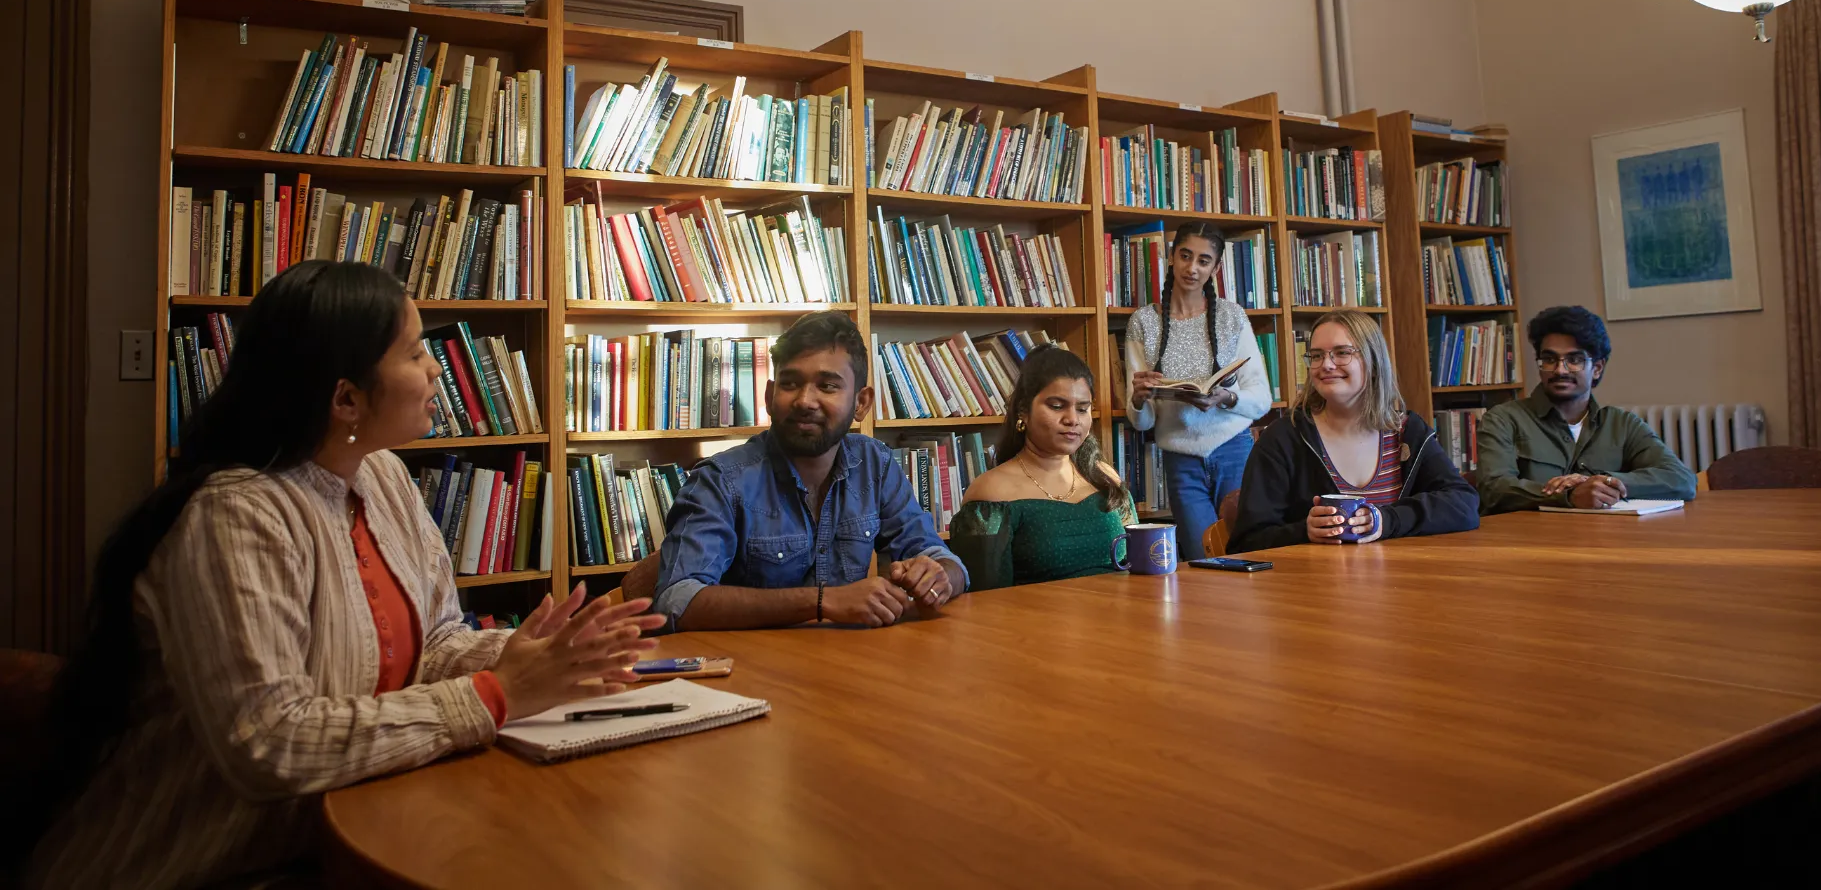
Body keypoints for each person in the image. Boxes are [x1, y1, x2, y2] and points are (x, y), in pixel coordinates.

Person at [26, 261, 660, 890]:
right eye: (415, 353)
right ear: (345, 398)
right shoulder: (236, 516)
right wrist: (496, 695)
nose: (437, 368)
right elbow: (270, 743)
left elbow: (434, 643)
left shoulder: (382, 476)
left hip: (328, 843)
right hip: (199, 867)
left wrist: (543, 659)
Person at [642, 311, 969, 631]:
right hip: (747, 669)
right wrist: (823, 602)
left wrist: (940, 576)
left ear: (861, 403)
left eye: (827, 386)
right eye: (790, 383)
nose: (804, 400)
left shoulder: (876, 465)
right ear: (770, 396)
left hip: (845, 664)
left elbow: (934, 553)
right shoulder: (720, 480)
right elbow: (676, 601)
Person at [1231, 309, 1479, 550]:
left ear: (1373, 361)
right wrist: (1303, 532)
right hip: (1312, 586)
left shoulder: (1406, 431)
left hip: (1403, 582)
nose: (1326, 365)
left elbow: (1464, 504)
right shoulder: (1283, 439)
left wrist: (1386, 520)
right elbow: (1246, 541)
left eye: (1341, 353)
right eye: (1316, 355)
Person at [1124, 221, 1273, 559]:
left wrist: (1226, 397)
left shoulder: (1232, 317)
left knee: (1247, 551)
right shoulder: (1143, 322)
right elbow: (1143, 422)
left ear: (1215, 268)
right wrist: (1137, 400)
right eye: (1185, 256)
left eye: (1203, 261)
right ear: (1171, 258)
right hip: (1180, 460)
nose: (1192, 268)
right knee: (1201, 557)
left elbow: (1262, 398)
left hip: (1234, 451)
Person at [944, 346, 1138, 590]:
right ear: (1023, 411)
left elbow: (1140, 565)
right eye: (1057, 406)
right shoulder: (991, 492)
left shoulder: (1104, 477)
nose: (1072, 419)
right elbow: (984, 601)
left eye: (1082, 408)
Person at [1476, 305, 1695, 513]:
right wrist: (1569, 496)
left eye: (1574, 359)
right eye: (1549, 359)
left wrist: (1603, 482)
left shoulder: (1623, 424)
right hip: (1527, 542)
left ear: (1597, 368)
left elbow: (1681, 480)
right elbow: (1493, 490)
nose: (1560, 369)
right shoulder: (1503, 419)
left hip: (1605, 541)